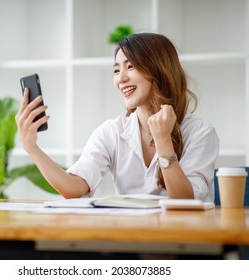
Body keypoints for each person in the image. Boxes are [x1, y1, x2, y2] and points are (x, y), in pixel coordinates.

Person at [15, 33, 219, 201]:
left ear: (159, 70)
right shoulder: (112, 132)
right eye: (116, 70)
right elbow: (74, 188)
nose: (120, 78)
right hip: (131, 241)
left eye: (130, 67)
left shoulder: (200, 132)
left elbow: (185, 201)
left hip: (185, 242)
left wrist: (164, 141)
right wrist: (32, 148)